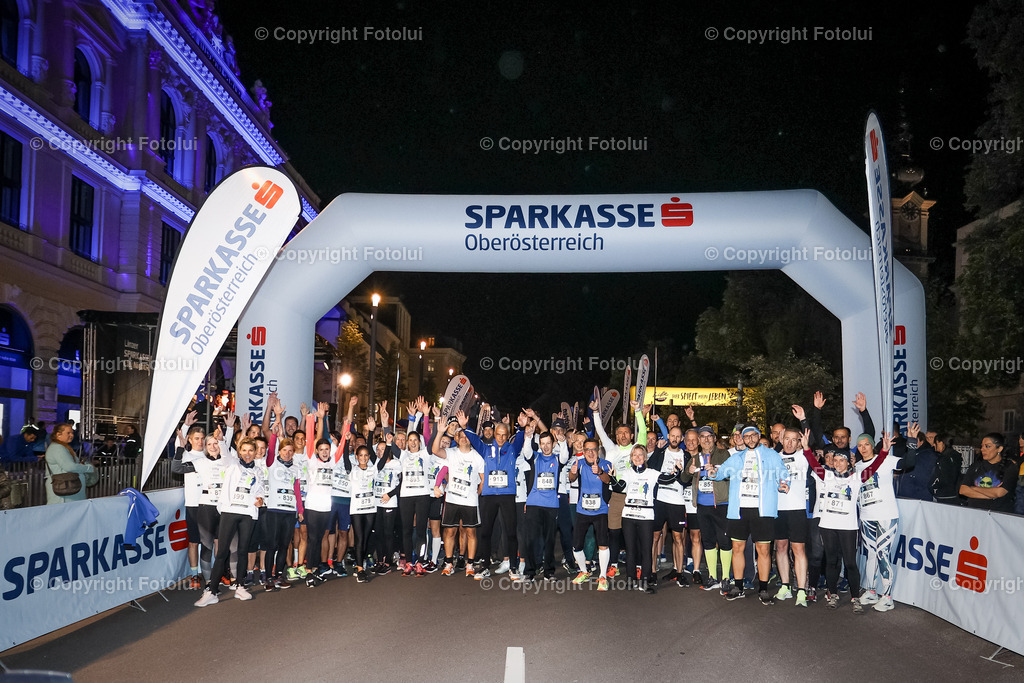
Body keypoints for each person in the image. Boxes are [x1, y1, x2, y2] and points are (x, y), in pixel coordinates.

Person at [802, 429, 893, 613]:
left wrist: (883, 452)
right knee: (832, 562)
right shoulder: (826, 475)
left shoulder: (856, 478)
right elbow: (813, 463)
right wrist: (805, 448)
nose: (837, 463)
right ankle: (833, 594)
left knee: (850, 563)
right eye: (835, 460)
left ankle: (855, 597)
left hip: (848, 527)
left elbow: (873, 468)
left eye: (841, 460)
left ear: (848, 462)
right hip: (828, 526)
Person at [711, 425, 790, 604]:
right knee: (737, 548)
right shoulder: (736, 457)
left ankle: (763, 589)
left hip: (763, 510)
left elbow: (783, 474)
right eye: (747, 437)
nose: (750, 439)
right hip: (739, 510)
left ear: (759, 436)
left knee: (764, 550)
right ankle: (738, 586)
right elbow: (720, 473)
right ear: (743, 439)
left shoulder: (771, 455)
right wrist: (712, 473)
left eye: (753, 436)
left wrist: (784, 483)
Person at [194, 437, 265, 606]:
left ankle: (240, 586)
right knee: (222, 552)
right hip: (229, 512)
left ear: (255, 453)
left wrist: (260, 499)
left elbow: (260, 490)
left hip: (247, 514)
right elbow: (224, 451)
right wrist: (223, 438)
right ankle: (211, 591)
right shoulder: (232, 464)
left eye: (251, 450)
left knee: (242, 551)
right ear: (239, 452)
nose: (247, 454)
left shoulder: (258, 471)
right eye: (244, 450)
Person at [856, 420, 917, 612]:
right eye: (860, 445)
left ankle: (888, 596)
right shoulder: (857, 466)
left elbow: (909, 463)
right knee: (871, 554)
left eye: (866, 444)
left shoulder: (886, 459)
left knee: (883, 554)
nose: (863, 448)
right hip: (866, 516)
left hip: (886, 515)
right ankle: (871, 591)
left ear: (872, 445)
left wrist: (912, 441)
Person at [610, 444, 682, 593]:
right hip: (629, 515)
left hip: (646, 516)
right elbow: (618, 487)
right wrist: (612, 477)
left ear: (645, 457)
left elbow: (667, 479)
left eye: (640, 455)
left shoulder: (652, 473)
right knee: (630, 549)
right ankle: (631, 579)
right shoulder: (628, 473)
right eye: (634, 455)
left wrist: (677, 471)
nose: (637, 457)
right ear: (631, 458)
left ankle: (645, 580)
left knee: (646, 549)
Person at [432, 415, 486, 577]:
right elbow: (435, 450)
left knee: (471, 533)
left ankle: (470, 564)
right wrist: (440, 433)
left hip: (470, 501)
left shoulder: (477, 457)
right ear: (456, 438)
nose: (463, 439)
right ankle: (449, 563)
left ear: (470, 439)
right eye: (460, 436)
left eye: (466, 436)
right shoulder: (451, 452)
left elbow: (483, 480)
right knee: (450, 532)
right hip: (453, 499)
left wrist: (476, 494)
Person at [520, 421, 570, 582]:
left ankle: (549, 572)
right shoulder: (535, 457)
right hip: (534, 503)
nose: (546, 446)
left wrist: (562, 441)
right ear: (540, 444)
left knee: (549, 540)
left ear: (552, 443)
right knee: (531, 539)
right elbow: (527, 452)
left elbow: (565, 456)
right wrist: (528, 437)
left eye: (549, 443)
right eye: (543, 444)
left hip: (551, 505)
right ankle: (530, 571)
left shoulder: (557, 459)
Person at [688, 425, 732, 592]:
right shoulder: (695, 457)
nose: (706, 439)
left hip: (720, 504)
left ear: (714, 438)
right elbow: (685, 476)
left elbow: (730, 474)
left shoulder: (723, 454)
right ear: (699, 440)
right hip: (702, 506)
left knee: (724, 541)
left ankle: (726, 577)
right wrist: (689, 470)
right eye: (703, 437)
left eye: (709, 436)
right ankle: (713, 577)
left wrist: (716, 470)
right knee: (707, 541)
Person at [568, 437, 614, 591]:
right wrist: (572, 473)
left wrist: (600, 472)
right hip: (582, 510)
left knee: (603, 544)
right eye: (587, 449)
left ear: (598, 450)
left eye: (593, 449)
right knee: (576, 545)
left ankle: (602, 576)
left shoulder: (606, 464)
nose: (590, 452)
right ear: (584, 451)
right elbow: (572, 478)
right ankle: (584, 571)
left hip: (600, 511)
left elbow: (608, 480)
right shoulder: (579, 464)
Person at [958, 433, 1016, 513]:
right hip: (975, 513)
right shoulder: (976, 465)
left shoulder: (1010, 467)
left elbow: (1000, 492)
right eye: (982, 446)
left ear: (999, 449)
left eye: (987, 446)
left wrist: (973, 488)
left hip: (998, 516)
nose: (982, 449)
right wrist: (991, 495)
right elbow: (963, 490)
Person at [44, 422, 96, 504]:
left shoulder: (61, 447)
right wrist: (89, 468)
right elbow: (70, 467)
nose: (71, 435)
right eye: (68, 433)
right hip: (65, 493)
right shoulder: (58, 448)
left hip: (69, 492)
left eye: (72, 432)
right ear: (58, 435)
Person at [930, 434, 963, 506]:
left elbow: (939, 476)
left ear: (940, 443)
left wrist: (931, 487)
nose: (933, 445)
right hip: (955, 493)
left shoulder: (943, 458)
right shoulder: (956, 455)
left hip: (943, 495)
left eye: (935, 443)